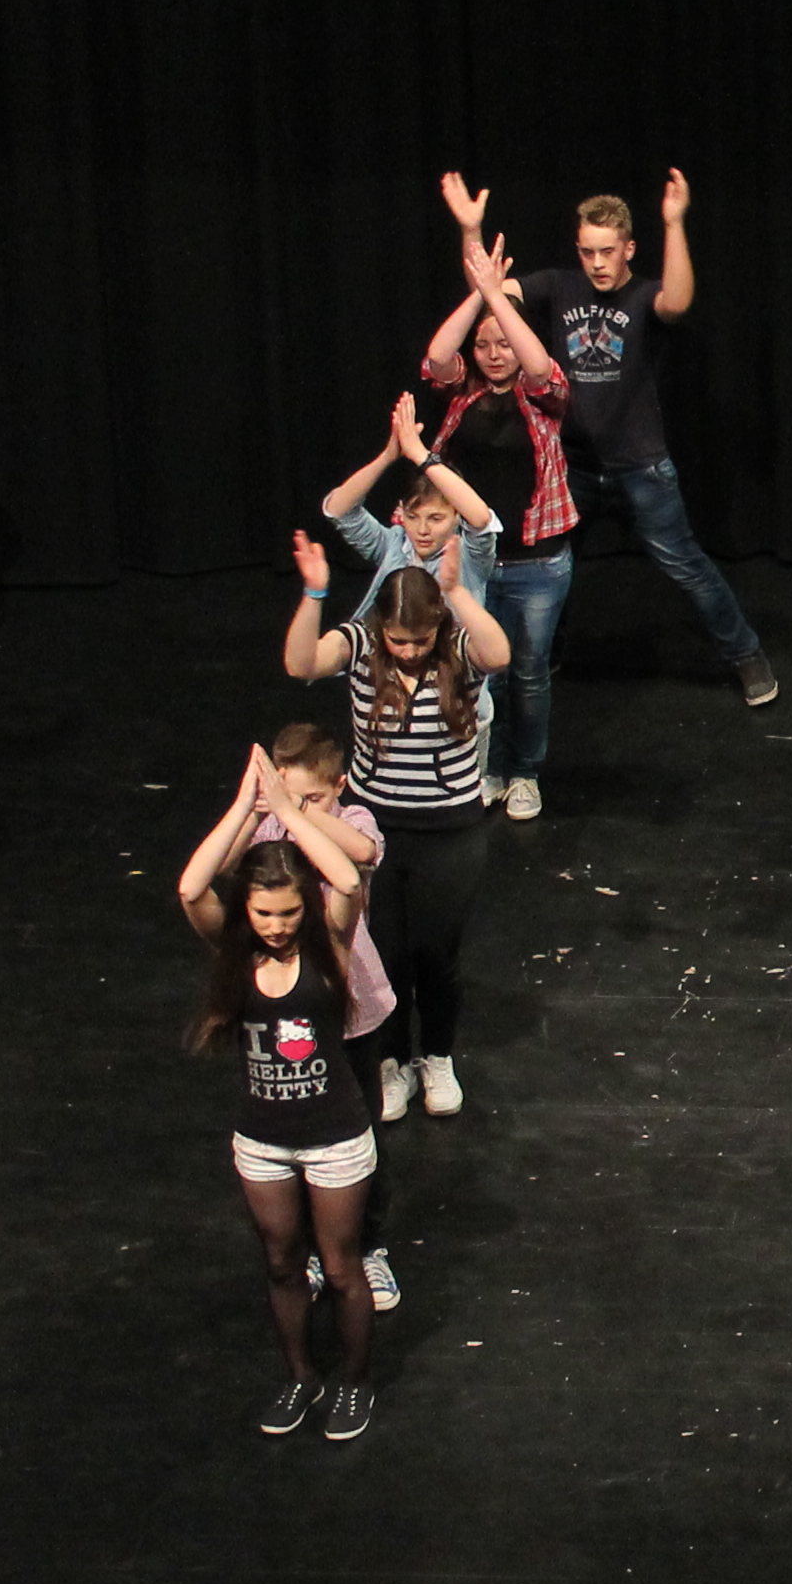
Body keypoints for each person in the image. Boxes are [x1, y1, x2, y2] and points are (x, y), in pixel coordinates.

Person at [463, 167, 781, 707]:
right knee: (552, 566)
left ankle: (747, 655)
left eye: (607, 251)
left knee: (687, 565)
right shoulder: (558, 286)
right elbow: (486, 293)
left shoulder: (643, 294)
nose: (597, 263)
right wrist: (471, 231)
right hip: (573, 466)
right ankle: (550, 649)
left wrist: (674, 223)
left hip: (641, 466)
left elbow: (677, 302)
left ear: (629, 249)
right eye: (588, 252)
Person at [185, 752, 385, 1440]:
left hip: (335, 1137)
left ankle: (354, 1382)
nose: (277, 925)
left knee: (341, 1265)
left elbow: (347, 878)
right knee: (279, 1261)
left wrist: (291, 812)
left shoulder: (328, 947)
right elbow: (191, 888)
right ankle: (301, 1376)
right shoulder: (238, 955)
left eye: (289, 912)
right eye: (265, 912)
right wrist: (247, 807)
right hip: (262, 1140)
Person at [283, 533, 512, 1113]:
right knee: (381, 952)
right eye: (399, 639)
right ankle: (391, 1063)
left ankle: (437, 1056)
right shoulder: (361, 646)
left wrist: (457, 592)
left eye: (420, 639)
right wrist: (314, 594)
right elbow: (300, 663)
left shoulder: (459, 650)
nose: (409, 650)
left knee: (436, 952)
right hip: (375, 826)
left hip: (450, 829)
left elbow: (500, 655)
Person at [421, 230, 575, 821]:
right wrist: (480, 296)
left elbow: (539, 365)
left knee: (529, 672)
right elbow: (439, 357)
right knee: (484, 672)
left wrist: (499, 300)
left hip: (538, 562)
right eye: (484, 344)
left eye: (502, 342)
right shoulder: (463, 394)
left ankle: (525, 772)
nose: (493, 353)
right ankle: (489, 765)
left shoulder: (542, 396)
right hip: (476, 561)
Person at [320, 390, 504, 635]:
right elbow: (339, 510)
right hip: (386, 655)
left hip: (447, 656)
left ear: (456, 516)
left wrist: (420, 455)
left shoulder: (469, 556)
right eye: (413, 517)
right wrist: (387, 457)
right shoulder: (394, 544)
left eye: (435, 518)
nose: (422, 530)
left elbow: (481, 519)